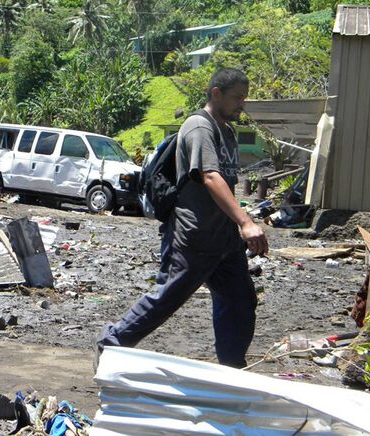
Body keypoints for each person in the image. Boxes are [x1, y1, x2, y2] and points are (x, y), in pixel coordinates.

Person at [96, 68, 268, 369]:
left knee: (240, 299)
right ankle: (111, 343)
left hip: (224, 239)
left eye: (244, 98)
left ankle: (232, 367)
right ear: (216, 94)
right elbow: (210, 177)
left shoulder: (227, 132)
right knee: (166, 298)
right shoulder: (198, 127)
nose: (242, 104)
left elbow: (226, 182)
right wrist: (246, 222)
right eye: (237, 97)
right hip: (194, 236)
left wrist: (238, 221)